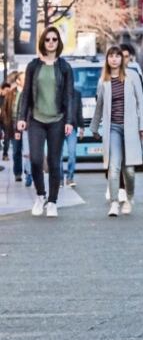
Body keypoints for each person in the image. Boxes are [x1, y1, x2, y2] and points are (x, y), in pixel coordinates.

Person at [17, 27, 76, 217]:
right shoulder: (33, 66)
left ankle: (52, 201)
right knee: (35, 159)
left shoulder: (64, 67)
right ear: (43, 41)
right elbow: (26, 94)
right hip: (36, 119)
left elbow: (69, 96)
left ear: (58, 43)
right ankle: (40, 195)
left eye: (55, 39)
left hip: (57, 120)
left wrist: (69, 120)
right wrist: (20, 117)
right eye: (48, 39)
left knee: (54, 161)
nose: (51, 42)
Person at [91, 45, 143, 216]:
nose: (114, 59)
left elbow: (141, 102)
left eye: (117, 56)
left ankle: (129, 198)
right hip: (113, 128)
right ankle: (114, 202)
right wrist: (94, 127)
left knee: (129, 170)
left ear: (122, 59)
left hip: (130, 128)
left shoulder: (133, 77)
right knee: (114, 166)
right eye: (111, 56)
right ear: (107, 59)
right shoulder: (103, 81)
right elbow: (99, 106)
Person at [63, 85, 84, 187]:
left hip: (72, 127)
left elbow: (79, 111)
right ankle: (59, 179)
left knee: (72, 153)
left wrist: (82, 127)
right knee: (57, 156)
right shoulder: (57, 91)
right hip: (58, 127)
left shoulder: (77, 94)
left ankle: (70, 178)